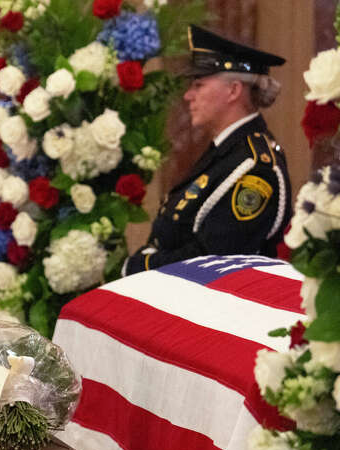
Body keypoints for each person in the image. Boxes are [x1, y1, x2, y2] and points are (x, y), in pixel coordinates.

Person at [123, 25, 291, 275]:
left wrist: (137, 266)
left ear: (233, 91)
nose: (188, 96)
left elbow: (212, 262)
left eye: (198, 85)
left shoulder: (255, 167)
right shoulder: (226, 152)